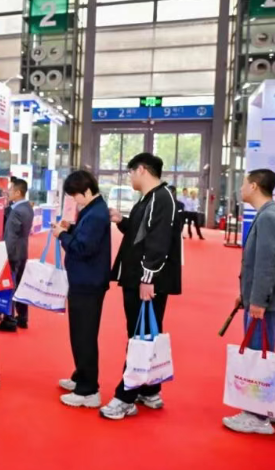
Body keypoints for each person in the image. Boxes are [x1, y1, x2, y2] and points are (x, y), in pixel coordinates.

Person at [223, 169, 275, 434]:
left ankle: (258, 416)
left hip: (268, 302)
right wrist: (246, 294)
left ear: (254, 186)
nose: (241, 189)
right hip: (267, 299)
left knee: (258, 356)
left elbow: (267, 264)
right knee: (261, 354)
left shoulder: (269, 217)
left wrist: (258, 300)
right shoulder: (269, 215)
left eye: (244, 184)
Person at [100, 153, 182, 420]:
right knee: (145, 334)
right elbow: (140, 233)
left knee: (139, 337)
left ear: (142, 170)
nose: (130, 177)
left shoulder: (161, 199)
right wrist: (121, 220)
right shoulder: (149, 198)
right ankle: (149, 389)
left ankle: (126, 395)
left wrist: (148, 278)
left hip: (145, 280)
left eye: (130, 172)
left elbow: (159, 242)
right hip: (137, 277)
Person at [52, 170, 111, 409]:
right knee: (79, 333)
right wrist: (70, 230)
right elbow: (84, 238)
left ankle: (89, 389)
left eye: (75, 195)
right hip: (84, 281)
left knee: (84, 335)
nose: (74, 200)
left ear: (86, 191)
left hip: (88, 283)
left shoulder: (96, 214)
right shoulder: (93, 209)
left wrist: (62, 236)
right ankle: (81, 376)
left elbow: (83, 248)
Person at [0, 178, 32, 332]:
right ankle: (22, 318)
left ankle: (9, 320)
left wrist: (4, 255)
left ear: (18, 192)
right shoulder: (27, 208)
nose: (7, 192)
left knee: (9, 286)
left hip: (13, 253)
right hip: (22, 251)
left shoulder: (16, 211)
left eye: (10, 189)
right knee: (20, 285)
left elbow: (10, 236)